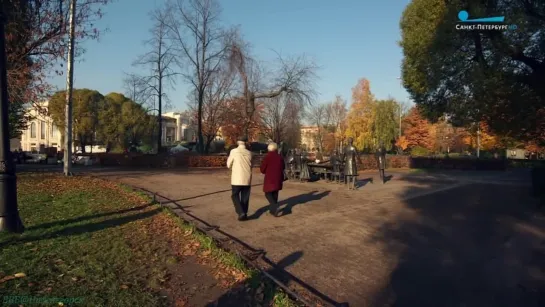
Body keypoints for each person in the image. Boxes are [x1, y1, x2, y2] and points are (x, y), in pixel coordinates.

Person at [227, 136, 253, 221]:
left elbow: (228, 164)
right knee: (245, 197)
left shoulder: (234, 151)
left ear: (238, 142)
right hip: (247, 178)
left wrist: (232, 166)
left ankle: (240, 212)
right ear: (245, 142)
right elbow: (251, 164)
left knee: (235, 195)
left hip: (237, 178)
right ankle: (244, 214)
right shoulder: (249, 153)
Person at [260, 142, 285, 217]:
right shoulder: (280, 157)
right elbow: (283, 167)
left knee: (268, 193)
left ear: (268, 149)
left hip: (270, 178)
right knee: (275, 194)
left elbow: (262, 169)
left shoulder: (267, 157)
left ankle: (275, 207)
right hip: (278, 178)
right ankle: (273, 211)